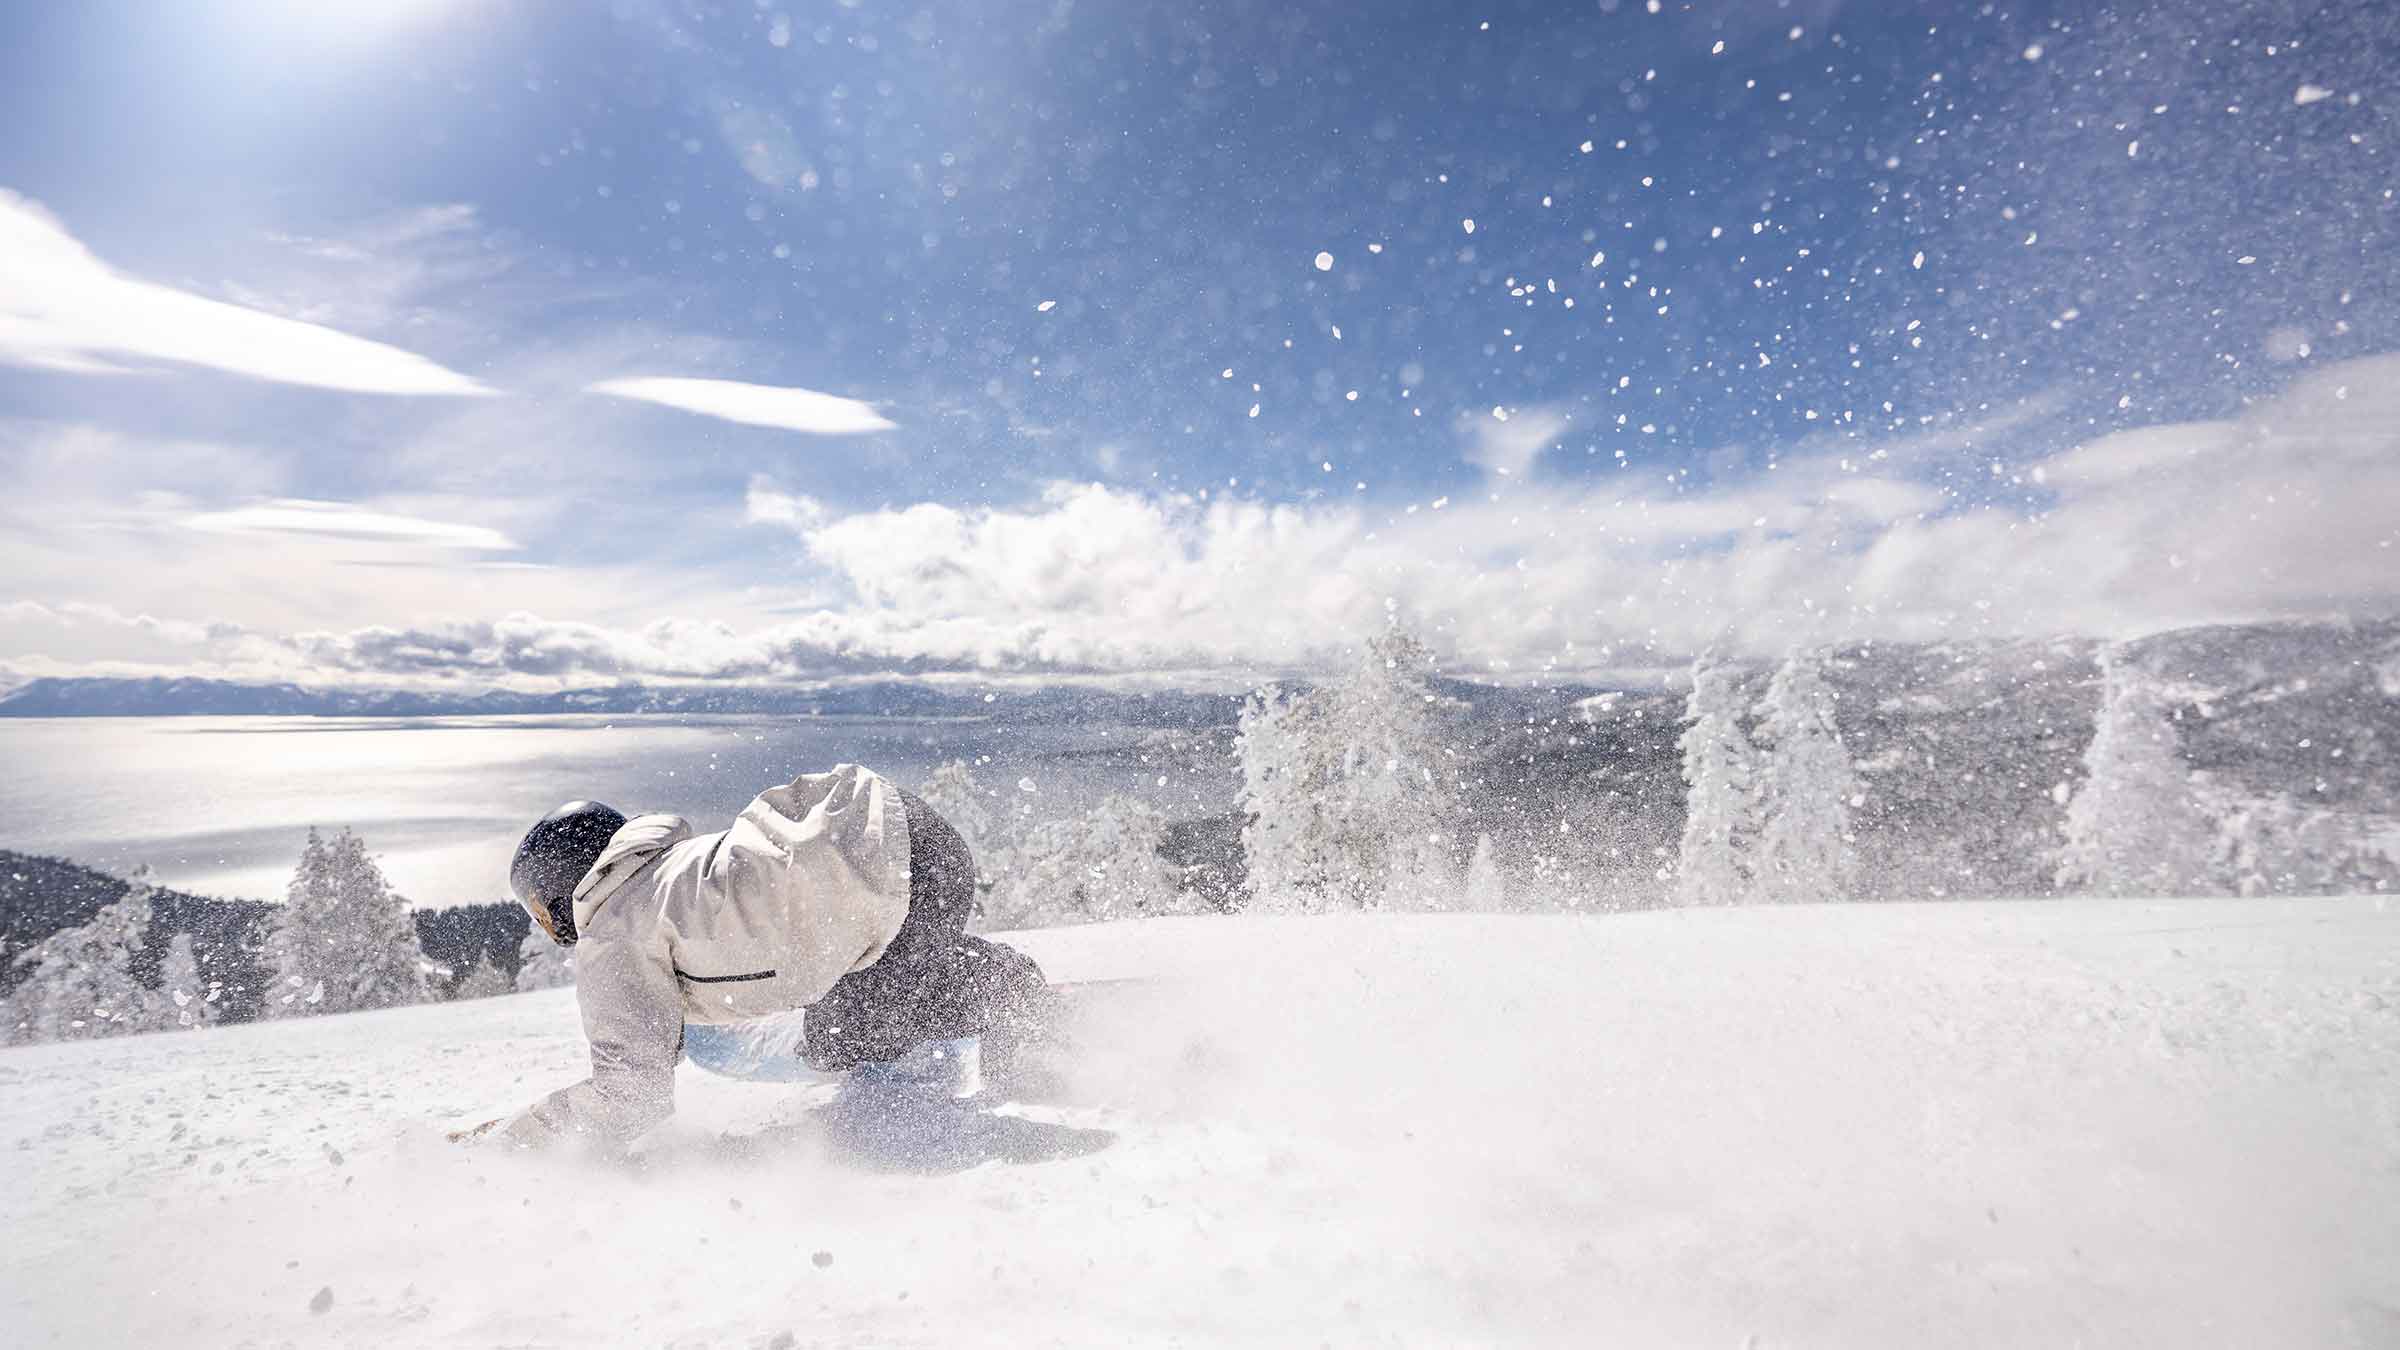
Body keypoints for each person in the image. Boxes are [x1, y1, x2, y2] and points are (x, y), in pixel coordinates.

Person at [465, 763, 1050, 1151]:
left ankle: (1007, 995)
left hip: (895, 873)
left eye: (538, 909)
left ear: (561, 882)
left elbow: (630, 1096)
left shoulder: (615, 931)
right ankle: (985, 987)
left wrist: (513, 1139)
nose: (544, 928)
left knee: (844, 1037)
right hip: (915, 833)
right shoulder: (670, 871)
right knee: (853, 1004)